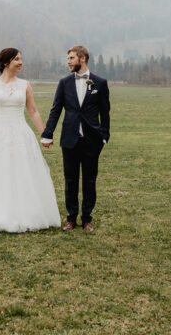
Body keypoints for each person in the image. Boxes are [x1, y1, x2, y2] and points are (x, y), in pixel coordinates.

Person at [0, 48, 60, 235]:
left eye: (21, 59)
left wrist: (44, 133)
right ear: (6, 63)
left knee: (23, 172)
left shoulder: (25, 85)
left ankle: (26, 213)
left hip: (21, 134)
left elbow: (33, 111)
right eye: (17, 59)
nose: (21, 62)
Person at [41, 45, 110, 233]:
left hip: (92, 141)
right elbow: (56, 110)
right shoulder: (64, 83)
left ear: (83, 59)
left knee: (89, 180)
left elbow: (105, 112)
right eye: (68, 58)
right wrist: (48, 133)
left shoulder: (100, 83)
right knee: (70, 180)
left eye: (72, 58)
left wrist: (104, 137)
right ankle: (71, 219)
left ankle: (87, 219)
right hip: (69, 140)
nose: (68, 62)